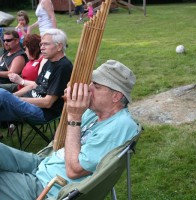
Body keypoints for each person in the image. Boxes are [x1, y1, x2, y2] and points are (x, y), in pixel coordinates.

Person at [0, 59, 140, 199]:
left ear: (116, 96)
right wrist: (71, 106)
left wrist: (74, 116)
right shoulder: (93, 112)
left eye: (96, 86)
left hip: (47, 186)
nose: (88, 88)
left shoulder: (119, 127)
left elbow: (74, 171)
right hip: (44, 163)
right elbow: (58, 140)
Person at [0, 28, 73, 124]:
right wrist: (13, 97)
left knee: (2, 94)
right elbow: (34, 85)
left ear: (59, 46)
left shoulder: (63, 67)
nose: (42, 47)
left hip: (42, 112)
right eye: (41, 44)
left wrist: (17, 100)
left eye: (46, 44)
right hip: (31, 102)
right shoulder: (49, 61)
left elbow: (48, 103)